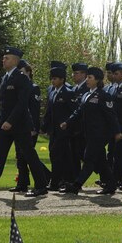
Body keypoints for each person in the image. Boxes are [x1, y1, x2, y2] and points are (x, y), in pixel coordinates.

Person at [0, 47, 49, 198]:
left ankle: (41, 186)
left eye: (6, 58)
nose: (3, 60)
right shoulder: (5, 78)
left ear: (14, 60)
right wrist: (2, 122)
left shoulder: (21, 78)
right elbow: (5, 105)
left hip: (19, 125)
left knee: (29, 155)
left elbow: (22, 103)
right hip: (5, 125)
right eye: (3, 57)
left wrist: (10, 121)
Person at [60, 67, 122, 195]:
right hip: (88, 134)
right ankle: (111, 184)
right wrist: (67, 122)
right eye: (87, 77)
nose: (87, 80)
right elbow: (79, 111)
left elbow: (111, 115)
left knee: (89, 159)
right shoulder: (87, 95)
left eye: (90, 77)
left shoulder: (104, 95)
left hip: (99, 134)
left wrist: (117, 132)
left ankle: (76, 185)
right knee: (100, 161)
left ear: (97, 80)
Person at [12, 60, 50, 193]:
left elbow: (34, 110)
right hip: (18, 126)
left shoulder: (34, 87)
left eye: (22, 72)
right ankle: (22, 183)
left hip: (29, 127)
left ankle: (44, 177)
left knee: (28, 155)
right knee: (20, 156)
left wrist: (33, 128)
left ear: (28, 72)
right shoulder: (19, 87)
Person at [41, 62, 78, 190]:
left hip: (64, 131)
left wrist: (67, 123)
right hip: (54, 131)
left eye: (55, 79)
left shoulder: (68, 92)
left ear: (62, 79)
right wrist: (44, 127)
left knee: (60, 156)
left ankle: (59, 182)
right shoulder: (52, 92)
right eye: (52, 78)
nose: (53, 81)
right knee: (55, 155)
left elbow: (75, 111)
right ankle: (62, 181)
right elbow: (48, 112)